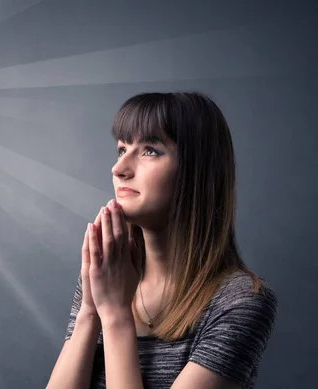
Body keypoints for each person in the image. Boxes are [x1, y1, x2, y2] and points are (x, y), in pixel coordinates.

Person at [45, 92, 278, 389]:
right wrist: (90, 313)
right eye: (122, 149)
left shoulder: (241, 301)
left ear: (196, 169)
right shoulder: (110, 273)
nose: (119, 169)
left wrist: (115, 316)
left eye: (150, 151)